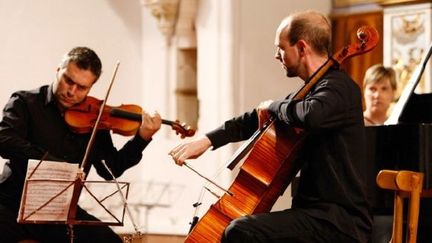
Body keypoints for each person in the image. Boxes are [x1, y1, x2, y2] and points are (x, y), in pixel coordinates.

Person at [169, 10, 372, 243]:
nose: (277, 55)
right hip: (312, 215)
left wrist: (274, 105)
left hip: (339, 222)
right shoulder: (309, 93)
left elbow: (311, 115)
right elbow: (254, 118)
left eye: (281, 48)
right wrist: (207, 140)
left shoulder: (339, 88)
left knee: (241, 231)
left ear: (302, 47)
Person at [0, 46, 162, 243]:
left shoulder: (95, 118)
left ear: (91, 87)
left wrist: (142, 138)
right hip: (11, 202)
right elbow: (5, 141)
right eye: (68, 80)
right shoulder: (25, 102)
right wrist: (53, 164)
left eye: (82, 88)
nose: (71, 91)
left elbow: (110, 168)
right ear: (58, 70)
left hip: (60, 211)